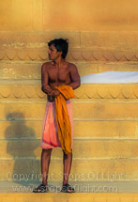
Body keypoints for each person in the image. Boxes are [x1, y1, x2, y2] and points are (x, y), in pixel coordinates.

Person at [33, 38, 80, 193]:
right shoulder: (46, 67)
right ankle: (44, 184)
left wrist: (60, 90)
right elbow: (44, 85)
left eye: (51, 50)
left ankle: (65, 183)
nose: (49, 52)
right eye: (49, 49)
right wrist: (50, 91)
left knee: (67, 146)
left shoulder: (71, 67)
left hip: (65, 108)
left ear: (60, 52)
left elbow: (77, 82)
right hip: (51, 106)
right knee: (46, 147)